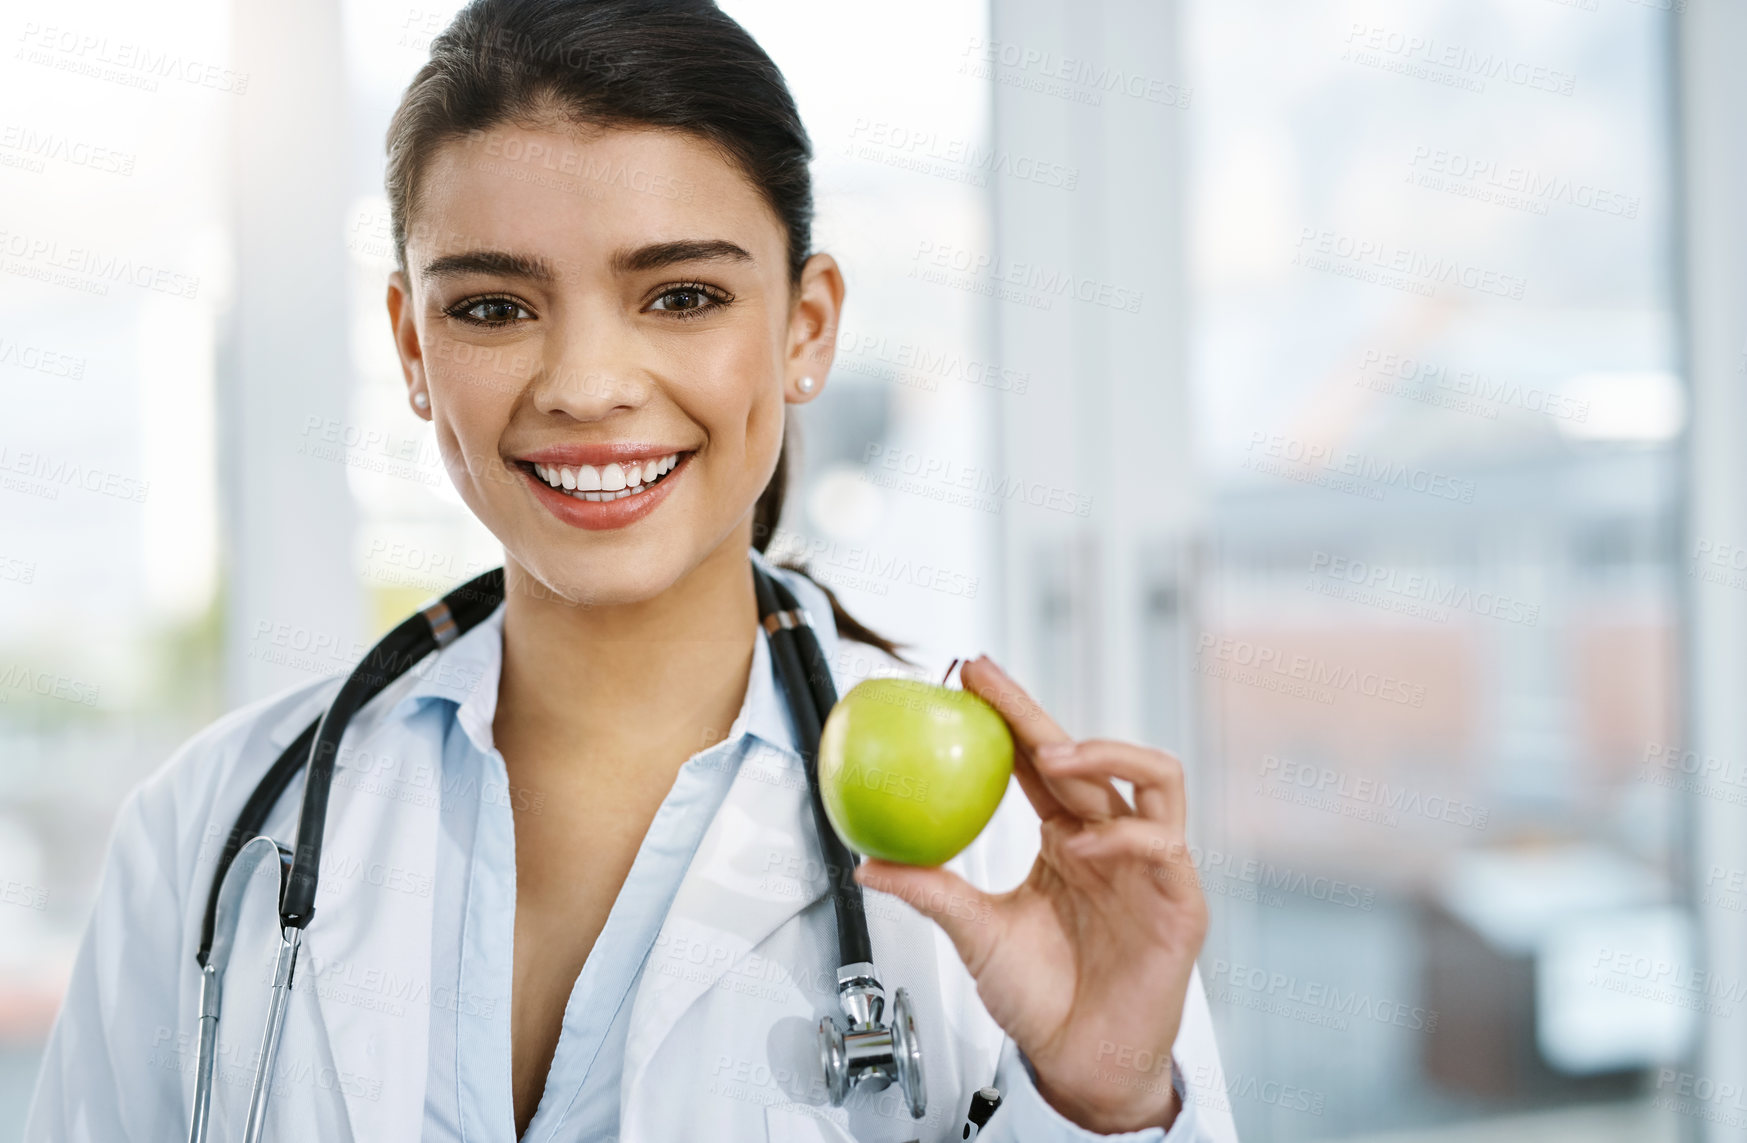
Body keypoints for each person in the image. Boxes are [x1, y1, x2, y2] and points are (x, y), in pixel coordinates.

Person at [24, 1, 1239, 1139]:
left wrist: (1106, 1099)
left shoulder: (1007, 871)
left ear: (806, 327)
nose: (586, 384)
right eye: (495, 309)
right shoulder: (218, 830)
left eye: (681, 294)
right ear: (410, 344)